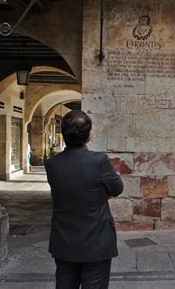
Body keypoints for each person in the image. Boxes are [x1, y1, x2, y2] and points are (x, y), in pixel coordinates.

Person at [44, 110, 124, 288]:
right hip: (97, 240)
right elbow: (117, 189)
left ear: (64, 134)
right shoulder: (99, 161)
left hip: (63, 241)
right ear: (88, 135)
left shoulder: (52, 164)